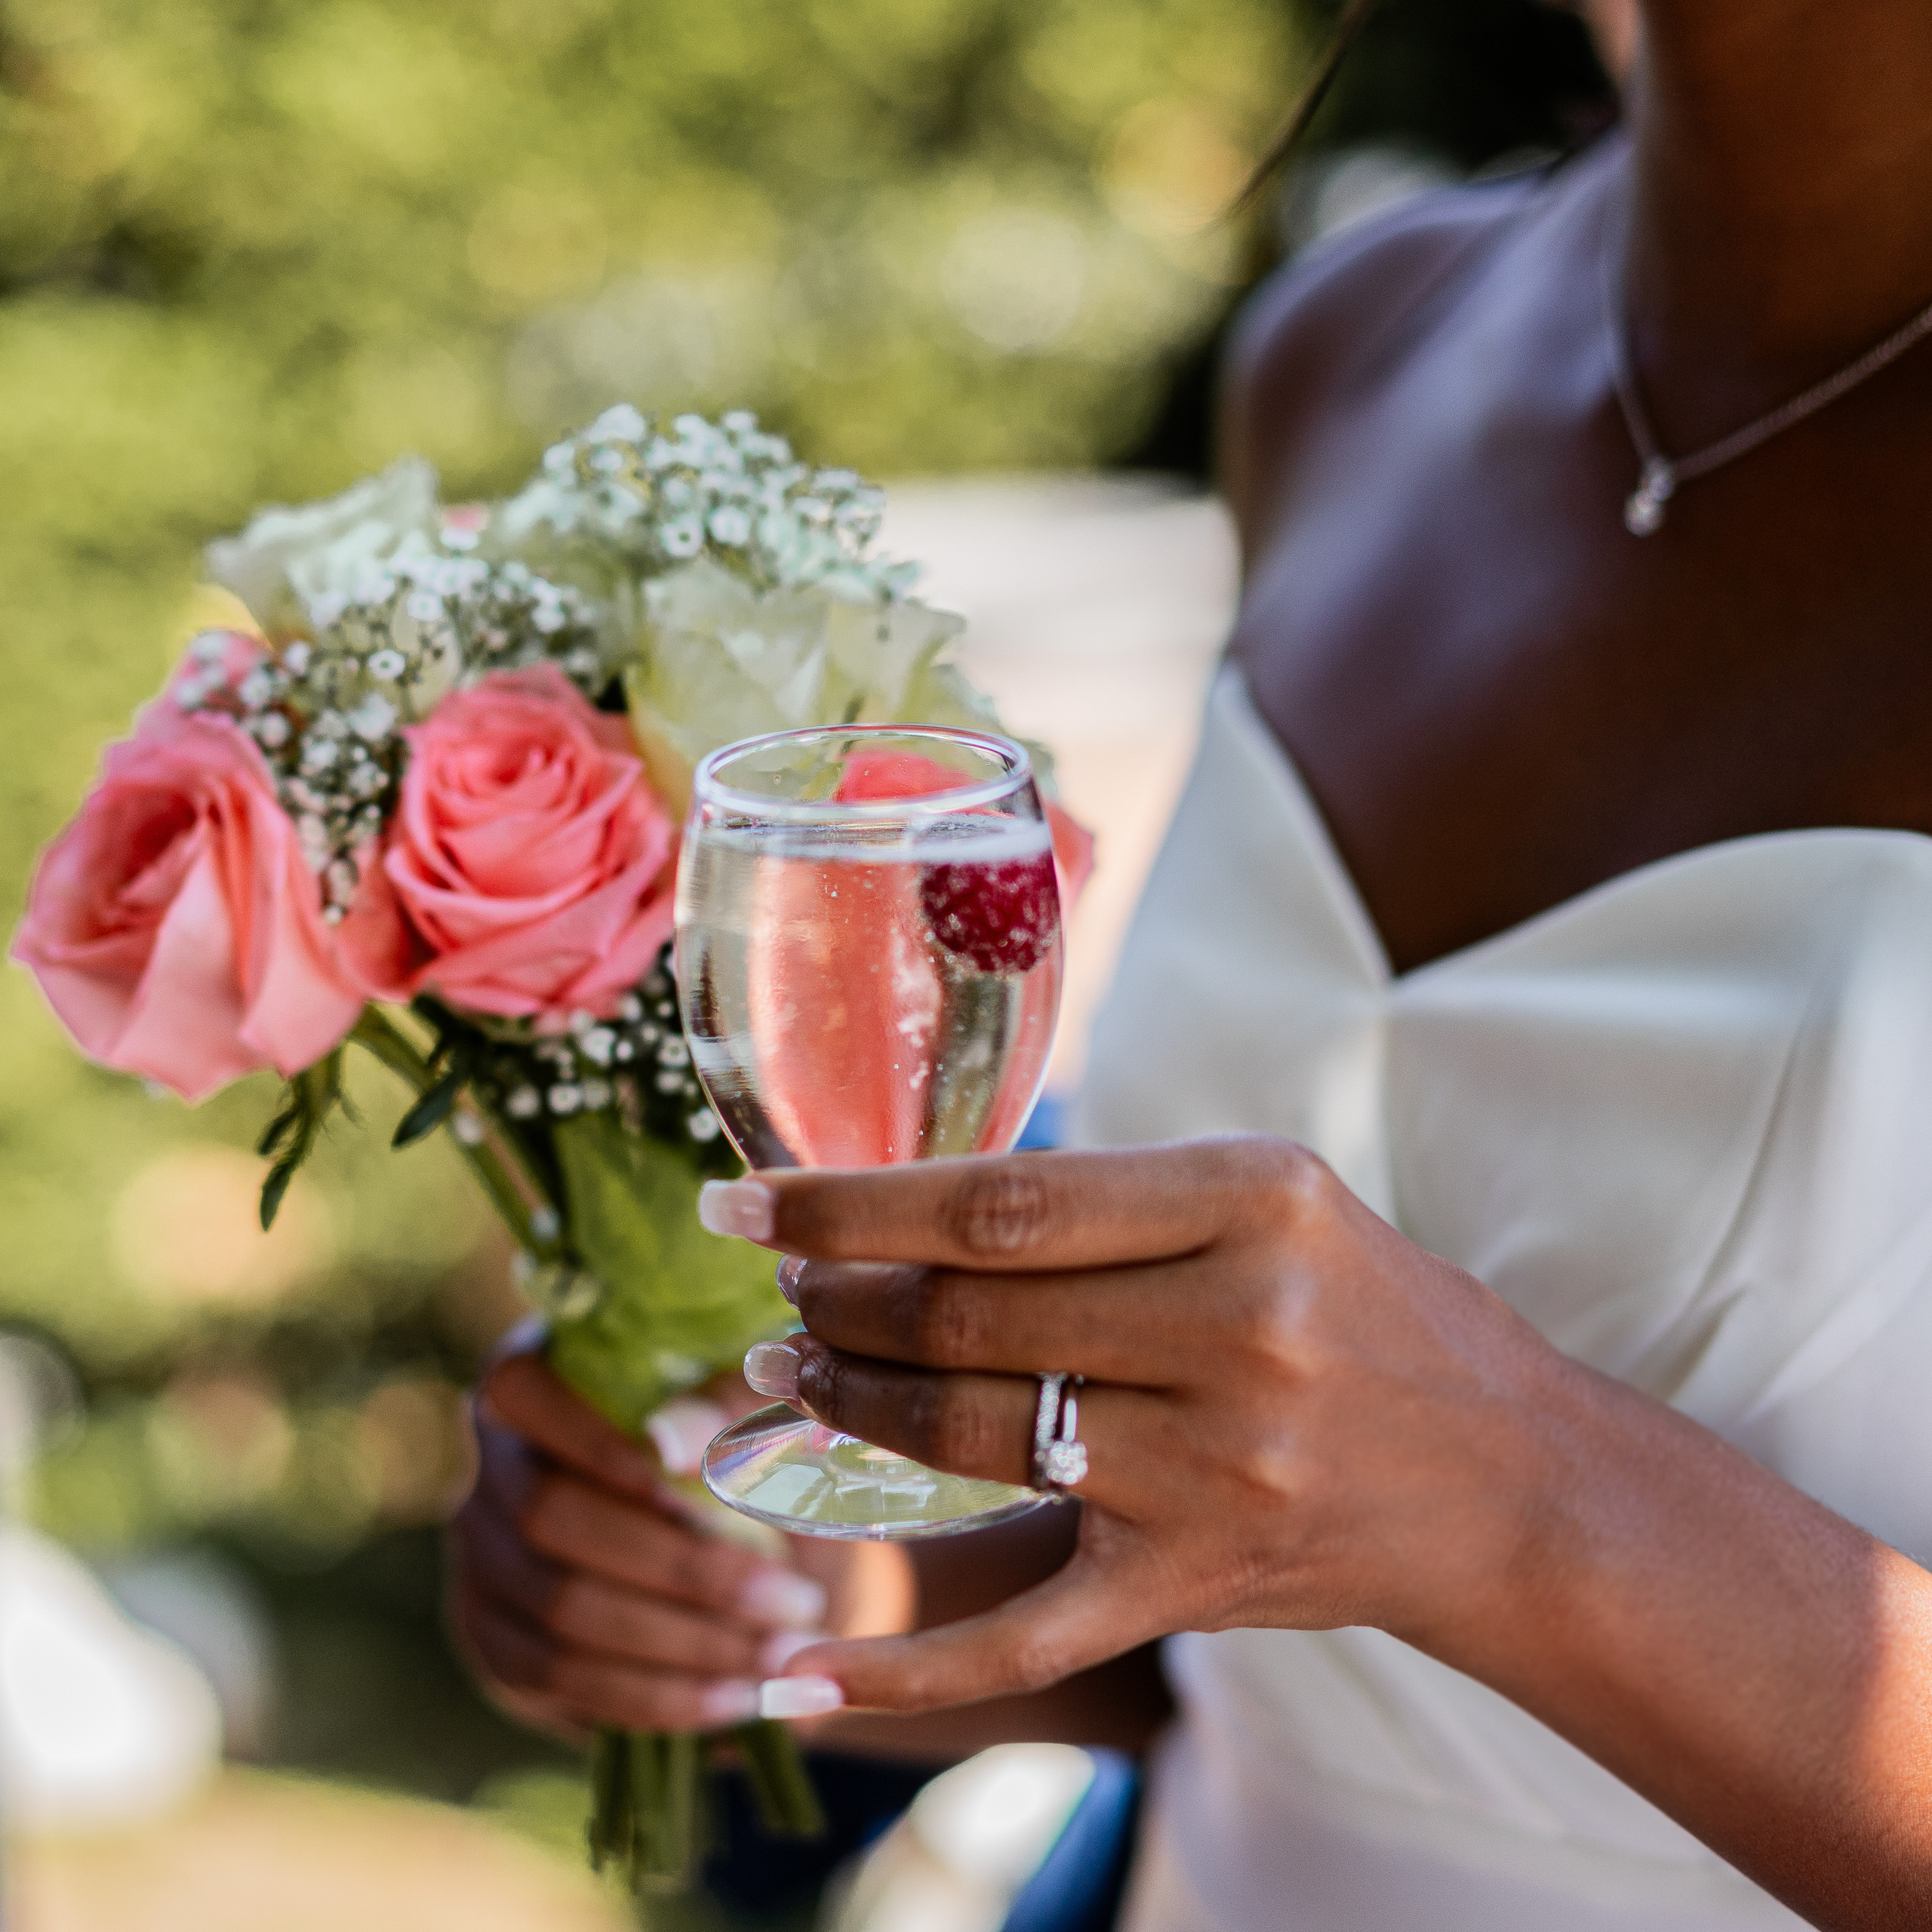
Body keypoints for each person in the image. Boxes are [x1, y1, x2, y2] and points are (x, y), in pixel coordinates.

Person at [450, 1, 1932, 1924]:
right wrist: (784, 1585)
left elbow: (1456, 1520)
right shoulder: (1350, 351)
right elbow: (1284, 1642)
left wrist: (1512, 1489)